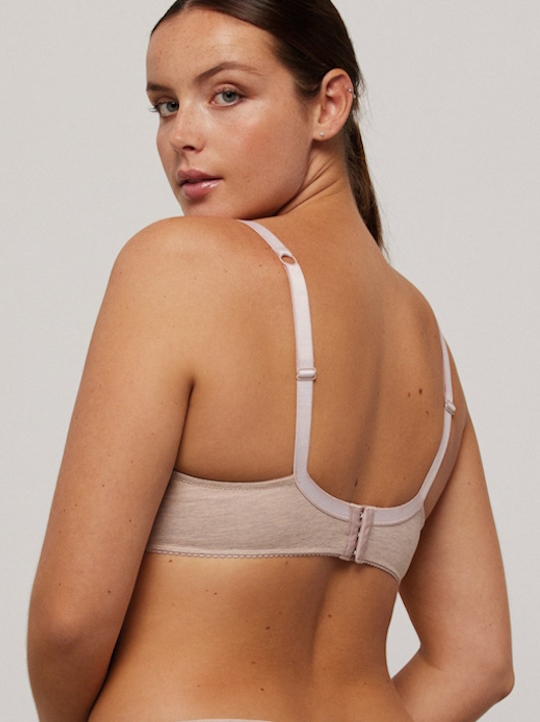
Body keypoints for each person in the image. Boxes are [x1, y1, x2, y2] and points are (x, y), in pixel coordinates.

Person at [27, 1, 513, 721]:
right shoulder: (426, 340)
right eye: (165, 105)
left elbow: (69, 623)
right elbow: (477, 662)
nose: (182, 135)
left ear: (329, 105)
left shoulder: (178, 265)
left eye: (226, 94)